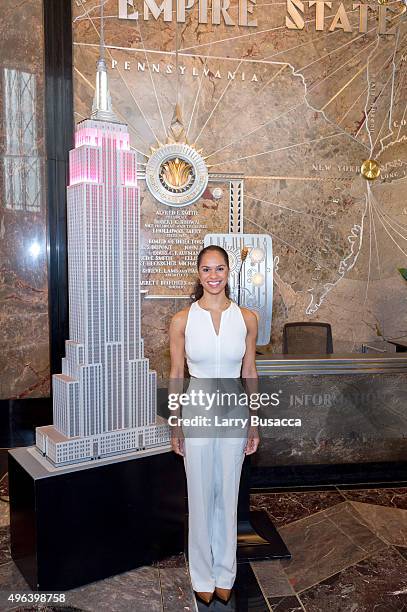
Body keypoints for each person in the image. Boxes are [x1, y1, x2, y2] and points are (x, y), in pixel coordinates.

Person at [169, 245, 260, 605]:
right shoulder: (182, 320)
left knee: (228, 494)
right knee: (201, 495)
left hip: (236, 412)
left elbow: (250, 371)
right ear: (198, 274)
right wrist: (175, 423)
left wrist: (254, 422)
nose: (213, 275)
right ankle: (202, 574)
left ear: (228, 272)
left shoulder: (247, 318)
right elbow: (177, 374)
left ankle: (226, 572)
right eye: (206, 269)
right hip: (197, 411)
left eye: (219, 268)